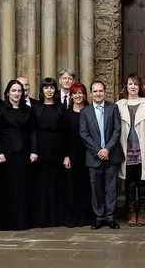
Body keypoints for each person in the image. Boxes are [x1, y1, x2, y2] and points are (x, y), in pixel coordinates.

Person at [79, 81, 124, 230]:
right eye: (95, 91)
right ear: (91, 93)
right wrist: (98, 150)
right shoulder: (85, 111)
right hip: (94, 157)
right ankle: (99, 217)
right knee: (96, 189)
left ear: (105, 92)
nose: (98, 94)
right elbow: (84, 134)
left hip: (111, 155)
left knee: (111, 188)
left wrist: (107, 149)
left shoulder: (113, 108)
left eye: (100, 91)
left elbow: (117, 130)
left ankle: (110, 217)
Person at [116, 74, 145, 227]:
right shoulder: (119, 104)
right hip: (126, 150)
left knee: (143, 182)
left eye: (135, 84)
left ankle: (142, 212)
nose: (132, 87)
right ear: (125, 87)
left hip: (143, 150)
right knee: (129, 183)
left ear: (139, 87)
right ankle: (131, 212)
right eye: (130, 84)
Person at [0, 79, 35, 231]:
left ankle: (21, 222)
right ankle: (6, 223)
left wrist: (33, 151)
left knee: (22, 187)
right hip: (6, 154)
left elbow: (32, 132)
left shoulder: (28, 110)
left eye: (19, 91)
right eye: (14, 91)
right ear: (7, 93)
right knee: (7, 187)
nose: (17, 94)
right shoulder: (1, 110)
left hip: (23, 153)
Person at [30, 78, 68, 228]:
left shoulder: (61, 108)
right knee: (42, 183)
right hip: (41, 148)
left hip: (57, 149)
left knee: (57, 183)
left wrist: (66, 154)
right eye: (46, 88)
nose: (49, 90)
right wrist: (33, 150)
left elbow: (65, 132)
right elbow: (33, 131)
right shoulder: (36, 108)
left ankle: (56, 218)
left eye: (52, 87)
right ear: (42, 90)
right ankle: (43, 218)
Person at [62, 83, 92, 227]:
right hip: (72, 153)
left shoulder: (90, 111)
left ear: (85, 95)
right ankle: (73, 218)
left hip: (88, 152)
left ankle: (86, 218)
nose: (78, 96)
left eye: (81, 93)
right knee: (72, 186)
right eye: (75, 93)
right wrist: (66, 156)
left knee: (87, 185)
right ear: (71, 95)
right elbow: (64, 136)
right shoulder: (66, 114)